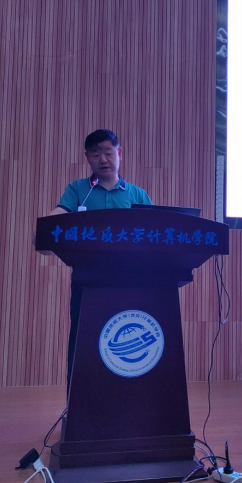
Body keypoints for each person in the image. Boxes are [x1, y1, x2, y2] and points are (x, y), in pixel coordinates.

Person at [48, 129, 152, 391]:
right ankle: (76, 404)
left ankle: (128, 401)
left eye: (108, 152)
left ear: (119, 153)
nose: (103, 159)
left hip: (130, 282)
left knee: (125, 343)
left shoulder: (137, 195)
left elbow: (154, 234)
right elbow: (61, 213)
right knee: (84, 340)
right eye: (96, 154)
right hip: (87, 281)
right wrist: (44, 226)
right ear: (87, 158)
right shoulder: (79, 190)